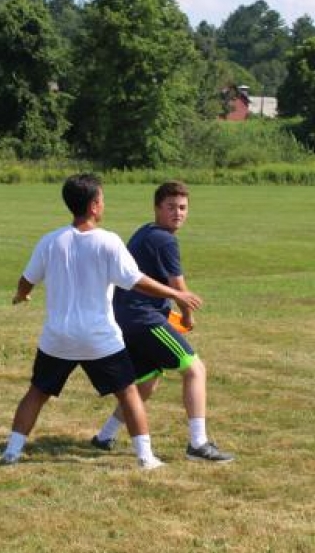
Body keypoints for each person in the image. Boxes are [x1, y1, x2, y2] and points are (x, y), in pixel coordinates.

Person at [0, 174, 203, 470]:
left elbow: (26, 281)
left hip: (58, 338)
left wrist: (21, 296)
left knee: (37, 392)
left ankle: (11, 452)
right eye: (103, 199)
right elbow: (136, 281)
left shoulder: (51, 241)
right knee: (129, 392)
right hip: (99, 338)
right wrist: (176, 294)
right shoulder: (108, 241)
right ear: (95, 205)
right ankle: (146, 458)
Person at [91, 181, 234, 463]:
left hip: (126, 317)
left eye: (182, 208)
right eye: (171, 207)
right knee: (195, 369)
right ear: (157, 208)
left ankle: (104, 436)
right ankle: (198, 444)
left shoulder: (146, 232)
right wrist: (188, 316)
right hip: (143, 319)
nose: (178, 213)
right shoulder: (164, 239)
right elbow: (179, 287)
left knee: (146, 383)